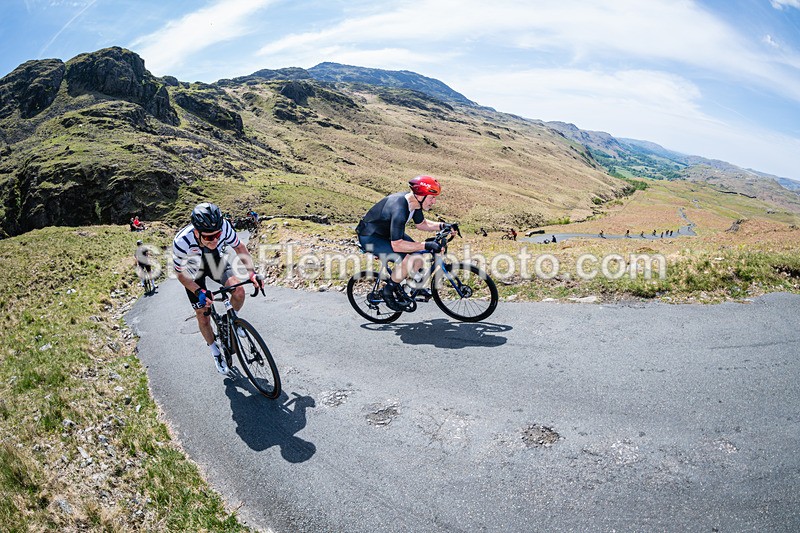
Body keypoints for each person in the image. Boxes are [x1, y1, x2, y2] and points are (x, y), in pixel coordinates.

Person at [172, 202, 263, 375]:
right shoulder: (181, 241)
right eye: (208, 237)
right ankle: (215, 352)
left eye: (217, 235)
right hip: (192, 272)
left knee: (239, 291)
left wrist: (251, 273)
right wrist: (198, 291)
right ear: (196, 232)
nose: (214, 240)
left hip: (214, 261)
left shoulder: (224, 226)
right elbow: (179, 274)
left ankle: (231, 322)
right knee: (203, 316)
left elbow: (239, 247)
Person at [355, 175, 453, 311]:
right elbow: (397, 245)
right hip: (371, 237)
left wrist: (444, 226)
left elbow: (422, 224)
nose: (434, 202)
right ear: (421, 195)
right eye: (432, 198)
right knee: (407, 261)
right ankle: (387, 291)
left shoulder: (415, 203)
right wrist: (426, 244)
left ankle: (408, 289)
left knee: (418, 257)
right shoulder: (400, 209)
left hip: (386, 233)